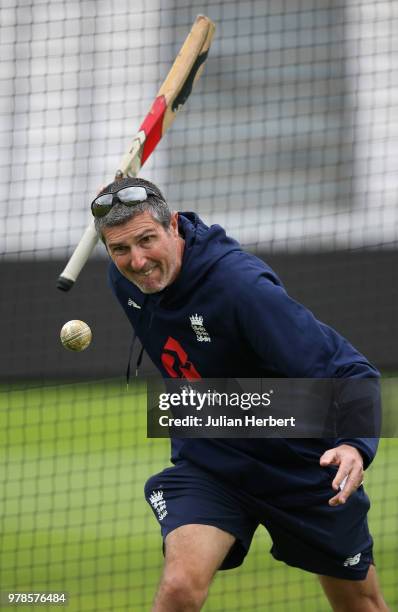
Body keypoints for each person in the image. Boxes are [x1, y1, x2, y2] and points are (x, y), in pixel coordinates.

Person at [92, 176, 388, 612]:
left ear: (173, 226)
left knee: (361, 605)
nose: (137, 262)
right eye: (120, 249)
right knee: (178, 588)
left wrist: (354, 445)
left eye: (147, 240)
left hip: (303, 466)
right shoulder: (126, 282)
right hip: (213, 461)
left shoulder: (240, 288)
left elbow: (351, 369)